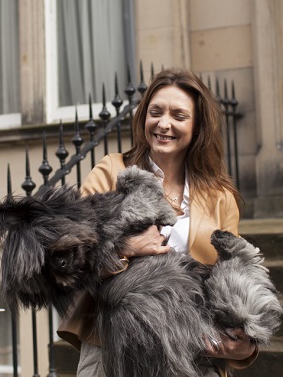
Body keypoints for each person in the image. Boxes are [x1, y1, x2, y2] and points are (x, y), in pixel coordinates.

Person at [57, 68, 258, 376]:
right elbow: (69, 258)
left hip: (193, 353)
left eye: (179, 115)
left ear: (197, 126)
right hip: (115, 347)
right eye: (156, 112)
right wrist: (127, 247)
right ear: (143, 118)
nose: (164, 124)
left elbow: (234, 282)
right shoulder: (111, 172)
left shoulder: (220, 196)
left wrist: (246, 345)